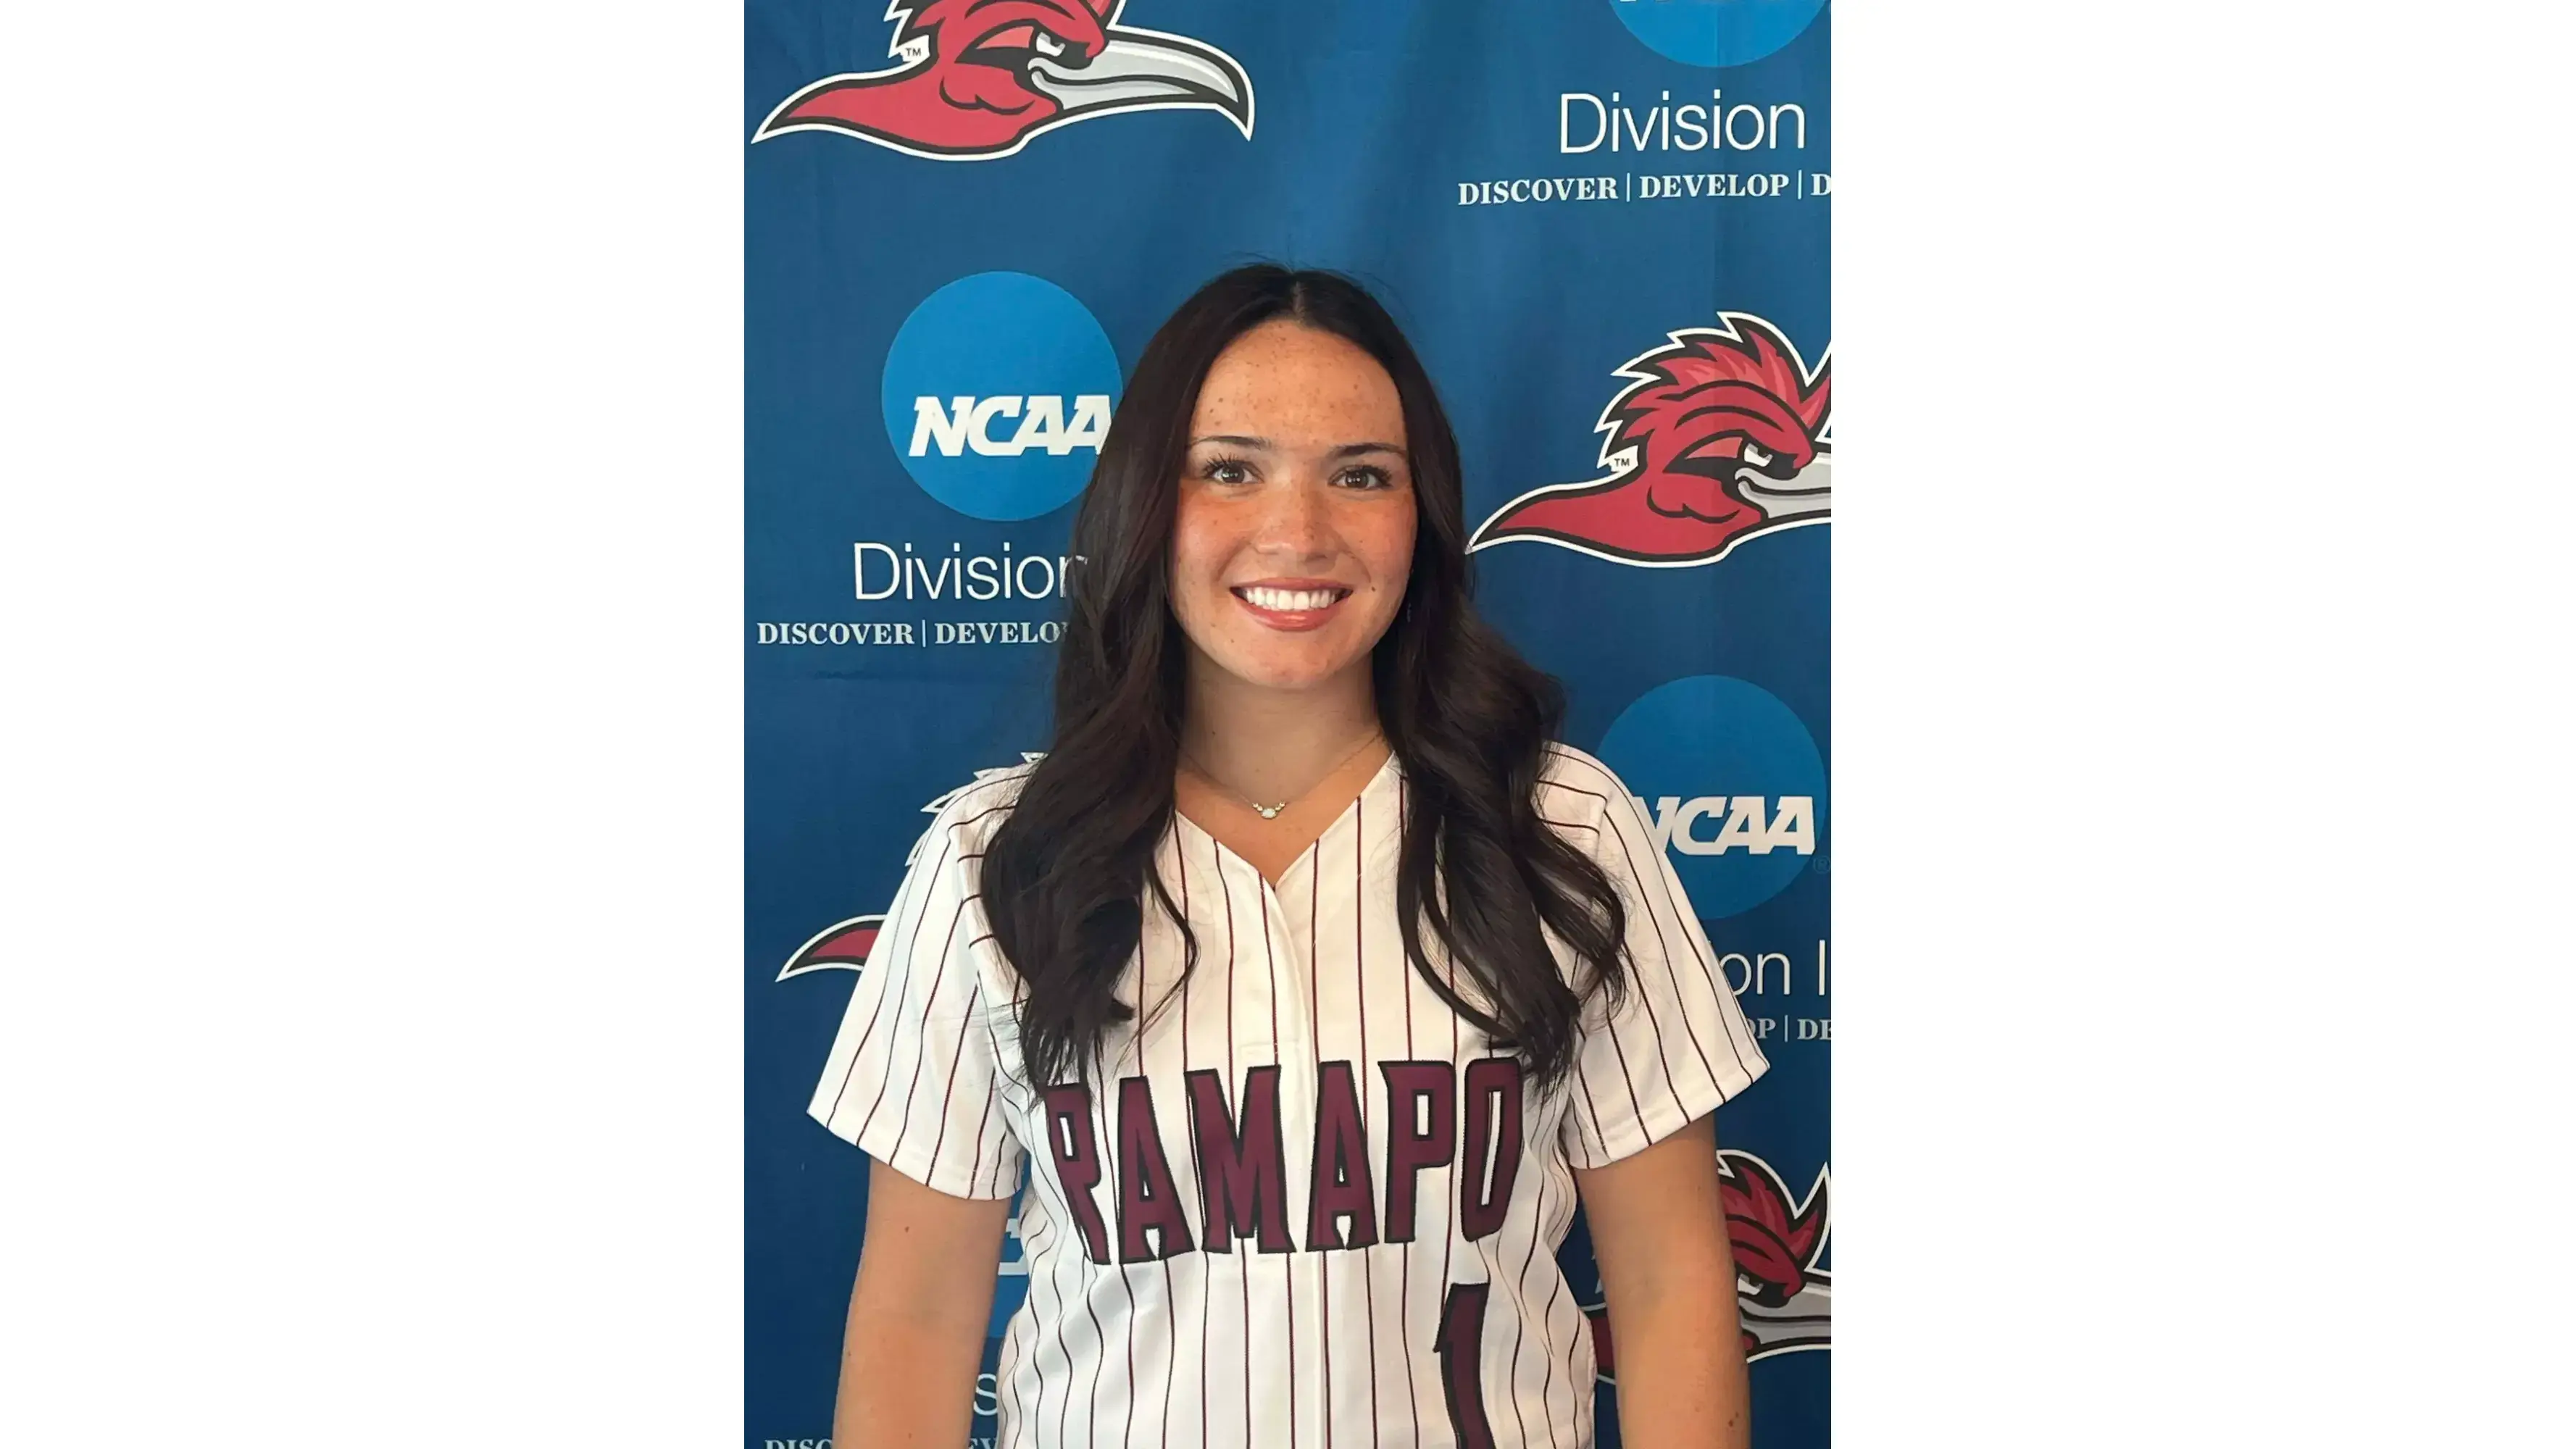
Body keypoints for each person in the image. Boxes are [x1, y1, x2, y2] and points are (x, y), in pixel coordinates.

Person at [809, 264, 1770, 1448]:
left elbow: (1671, 1283)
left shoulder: (1565, 830)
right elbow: (914, 1319)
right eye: (1229, 469)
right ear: (1143, 507)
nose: (1297, 533)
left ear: (1420, 515)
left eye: (1360, 475)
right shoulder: (991, 862)